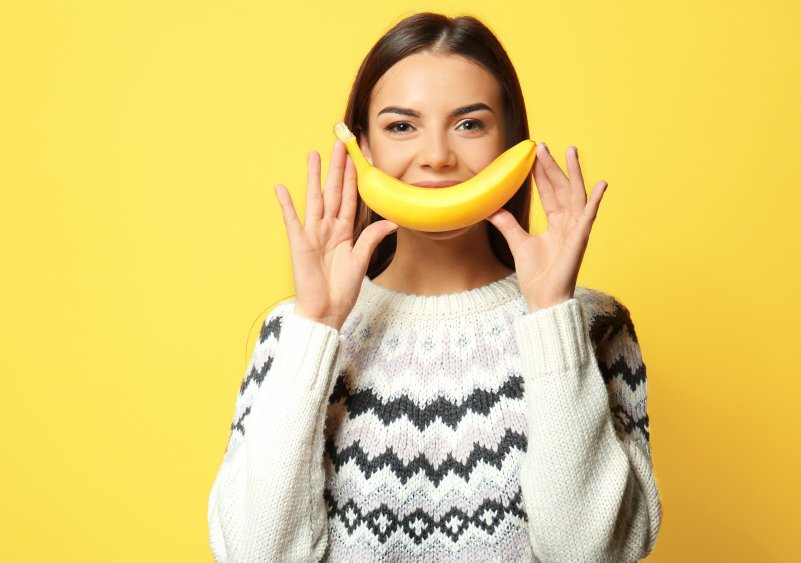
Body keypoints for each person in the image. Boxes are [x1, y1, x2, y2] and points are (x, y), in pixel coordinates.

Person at [207, 12, 662, 563]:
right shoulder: (295, 331)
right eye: (401, 126)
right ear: (363, 149)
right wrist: (317, 327)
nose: (438, 156)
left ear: (510, 146)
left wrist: (550, 317)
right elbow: (256, 554)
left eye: (470, 124)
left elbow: (594, 553)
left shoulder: (591, 324)